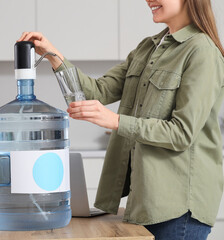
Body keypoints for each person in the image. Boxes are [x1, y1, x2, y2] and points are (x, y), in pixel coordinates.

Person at [18, 0, 224, 239]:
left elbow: (181, 133)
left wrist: (116, 121)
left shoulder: (202, 51)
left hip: (180, 209)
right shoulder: (148, 48)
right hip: (146, 202)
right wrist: (53, 55)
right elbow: (96, 92)